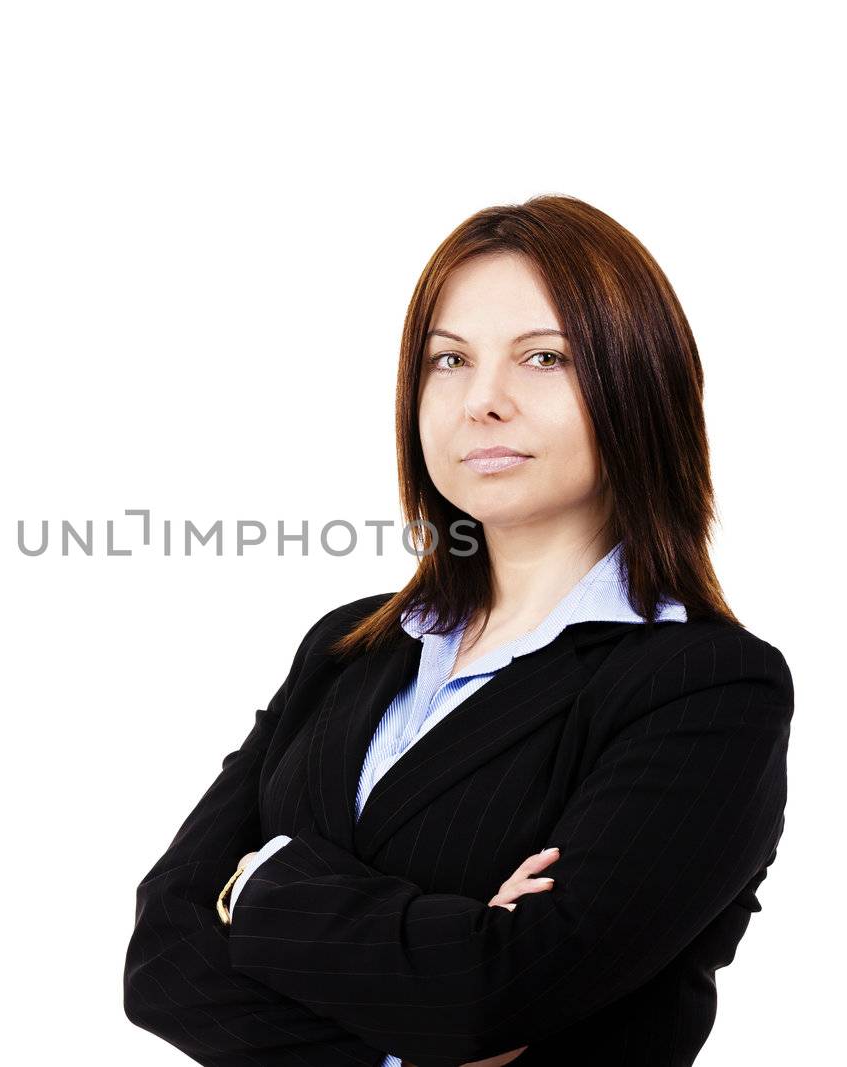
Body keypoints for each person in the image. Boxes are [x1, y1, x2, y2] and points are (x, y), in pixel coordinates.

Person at [124, 194, 794, 1067]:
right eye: (449, 360)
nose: (483, 400)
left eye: (544, 357)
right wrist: (428, 999)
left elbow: (496, 991)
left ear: (640, 383)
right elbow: (161, 963)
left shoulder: (708, 687)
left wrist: (256, 883)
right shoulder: (347, 648)